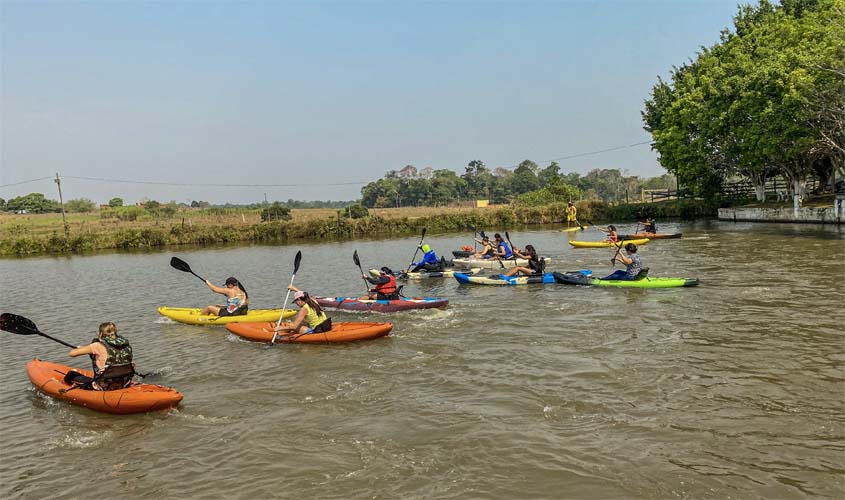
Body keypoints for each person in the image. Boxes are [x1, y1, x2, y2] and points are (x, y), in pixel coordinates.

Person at [66, 322, 135, 391]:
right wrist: (87, 349)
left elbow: (71, 354)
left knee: (71, 374)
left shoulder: (97, 345)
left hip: (104, 386)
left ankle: (67, 387)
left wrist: (82, 349)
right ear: (115, 332)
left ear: (101, 334)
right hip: (124, 383)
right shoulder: (125, 345)